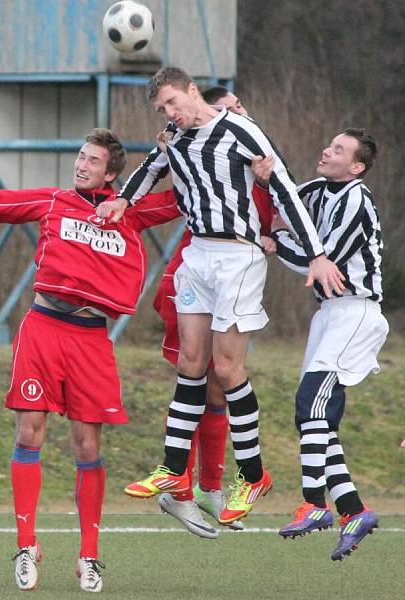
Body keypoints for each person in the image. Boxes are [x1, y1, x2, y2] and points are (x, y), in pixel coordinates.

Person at [0, 128, 181, 593]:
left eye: (92, 160)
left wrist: (201, 152)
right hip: (43, 329)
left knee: (86, 448)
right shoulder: (53, 201)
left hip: (91, 340)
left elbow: (183, 199)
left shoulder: (128, 213)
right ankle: (26, 545)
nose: (81, 164)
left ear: (112, 173)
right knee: (28, 430)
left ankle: (89, 556)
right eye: (80, 155)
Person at [96, 66, 345, 525]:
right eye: (163, 108)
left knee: (227, 368)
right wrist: (122, 201)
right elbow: (151, 169)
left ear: (192, 91)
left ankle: (252, 474)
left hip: (237, 257)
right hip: (198, 255)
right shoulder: (175, 136)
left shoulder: (240, 130)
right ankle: (173, 469)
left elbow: (286, 189)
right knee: (191, 363)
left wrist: (317, 255)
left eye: (174, 102)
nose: (171, 113)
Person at [258, 129, 387, 560]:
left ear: (356, 167)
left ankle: (315, 505)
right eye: (329, 145)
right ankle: (353, 510)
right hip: (329, 315)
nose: (326, 151)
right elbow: (285, 191)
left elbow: (322, 261)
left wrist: (278, 245)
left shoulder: (357, 198)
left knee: (311, 403)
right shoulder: (317, 188)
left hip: (355, 310)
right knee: (313, 419)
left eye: (338, 150)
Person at [151, 86, 275, 537]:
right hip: (191, 276)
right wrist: (120, 205)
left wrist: (275, 227)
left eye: (242, 106)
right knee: (199, 375)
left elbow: (279, 207)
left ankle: (207, 486)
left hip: (231, 273)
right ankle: (180, 485)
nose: (240, 112)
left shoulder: (249, 156)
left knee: (219, 382)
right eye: (231, 107)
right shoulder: (192, 150)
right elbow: (160, 199)